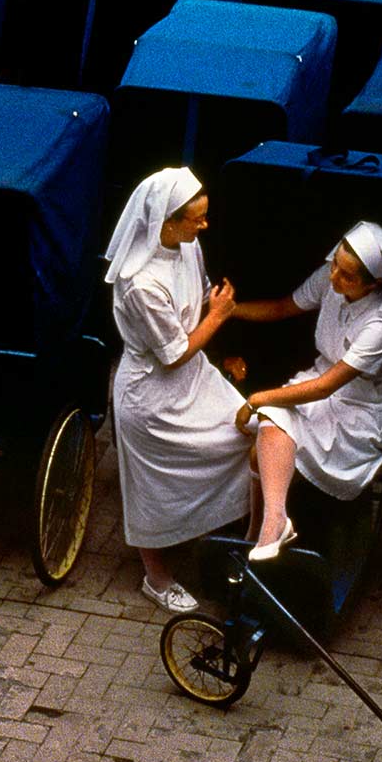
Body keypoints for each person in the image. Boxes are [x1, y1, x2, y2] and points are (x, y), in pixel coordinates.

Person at [107, 168, 255, 613]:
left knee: (251, 430)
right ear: (165, 223)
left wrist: (219, 336)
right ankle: (157, 577)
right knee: (153, 487)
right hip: (151, 396)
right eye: (196, 218)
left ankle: (234, 539)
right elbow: (172, 353)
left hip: (195, 378)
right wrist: (220, 315)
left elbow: (196, 314)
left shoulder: (188, 246)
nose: (204, 225)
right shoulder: (140, 283)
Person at [228, 222, 382, 562]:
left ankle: (270, 525)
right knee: (263, 443)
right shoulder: (331, 277)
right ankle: (267, 526)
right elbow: (283, 307)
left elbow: (328, 387)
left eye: (346, 275)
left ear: (374, 284)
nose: (334, 276)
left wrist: (257, 399)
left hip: (356, 409)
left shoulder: (381, 323)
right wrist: (231, 311)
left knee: (270, 416)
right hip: (317, 384)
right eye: (335, 263)